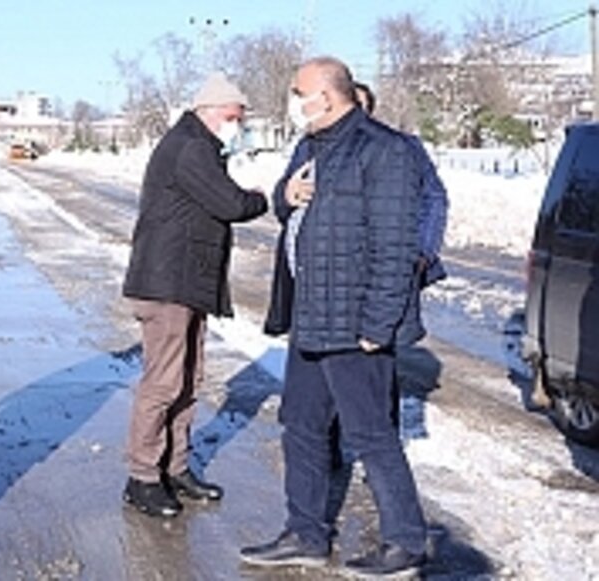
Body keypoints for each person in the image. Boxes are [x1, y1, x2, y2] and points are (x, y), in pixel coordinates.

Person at [240, 57, 428, 577]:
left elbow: (394, 248)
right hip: (310, 314)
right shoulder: (308, 147)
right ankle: (305, 533)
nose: (294, 101)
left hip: (353, 322)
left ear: (325, 94)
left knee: (370, 433)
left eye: (299, 92)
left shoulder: (384, 150)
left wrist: (377, 326)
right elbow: (290, 209)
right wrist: (286, 196)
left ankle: (405, 543)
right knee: (300, 425)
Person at [121, 72, 268, 518]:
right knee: (164, 381)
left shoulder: (200, 143)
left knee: (188, 379)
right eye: (233, 117)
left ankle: (176, 466)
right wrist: (261, 198)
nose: (237, 125)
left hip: (187, 282)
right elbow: (229, 203)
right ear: (210, 111)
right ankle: (143, 475)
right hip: (167, 283)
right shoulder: (191, 146)